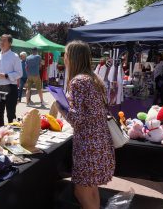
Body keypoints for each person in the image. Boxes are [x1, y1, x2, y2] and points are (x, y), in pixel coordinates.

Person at [56, 40, 115, 209]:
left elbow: (77, 119)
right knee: (91, 190)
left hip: (88, 144)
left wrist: (60, 106)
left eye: (66, 55)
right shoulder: (93, 78)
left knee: (81, 192)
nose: (64, 58)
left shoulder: (78, 81)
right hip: (100, 140)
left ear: (72, 58)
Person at [0, 34, 22, 127]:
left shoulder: (15, 56)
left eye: (4, 41)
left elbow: (19, 73)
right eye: (1, 40)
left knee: (11, 115)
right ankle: (0, 134)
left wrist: (5, 75)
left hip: (10, 88)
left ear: (10, 43)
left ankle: (12, 136)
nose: (1, 42)